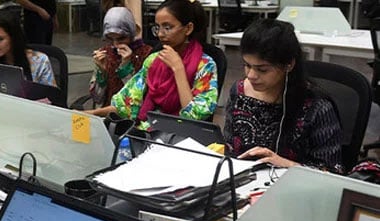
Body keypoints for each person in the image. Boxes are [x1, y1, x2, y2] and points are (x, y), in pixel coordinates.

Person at [223, 19, 343, 172]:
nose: (251, 75)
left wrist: (286, 164)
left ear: (289, 65)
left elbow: (332, 172)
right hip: (241, 181)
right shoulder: (239, 91)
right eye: (247, 65)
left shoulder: (316, 106)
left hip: (293, 188)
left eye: (262, 69)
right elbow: (228, 145)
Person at [86, 0, 218, 132]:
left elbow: (194, 118)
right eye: (157, 27)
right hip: (148, 133)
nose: (160, 34)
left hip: (182, 139)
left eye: (167, 27)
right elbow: (125, 104)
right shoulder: (154, 60)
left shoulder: (205, 66)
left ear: (188, 28)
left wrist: (178, 70)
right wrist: (92, 114)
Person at [89, 7, 152, 108]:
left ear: (131, 33)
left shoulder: (147, 55)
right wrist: (102, 73)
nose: (116, 44)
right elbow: (97, 98)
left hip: (133, 118)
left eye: (121, 38)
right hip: (106, 114)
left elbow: (139, 101)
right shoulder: (105, 53)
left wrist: (126, 69)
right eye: (110, 38)